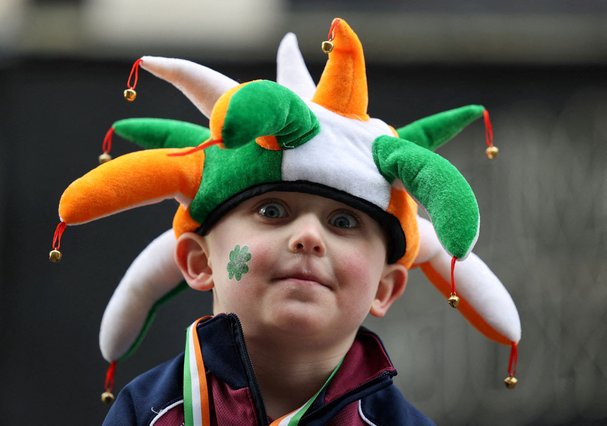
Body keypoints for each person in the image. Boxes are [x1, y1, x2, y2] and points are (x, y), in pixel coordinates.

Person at [50, 17, 521, 426]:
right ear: (199, 261)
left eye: (344, 222)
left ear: (385, 288)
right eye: (272, 212)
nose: (309, 237)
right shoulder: (148, 414)